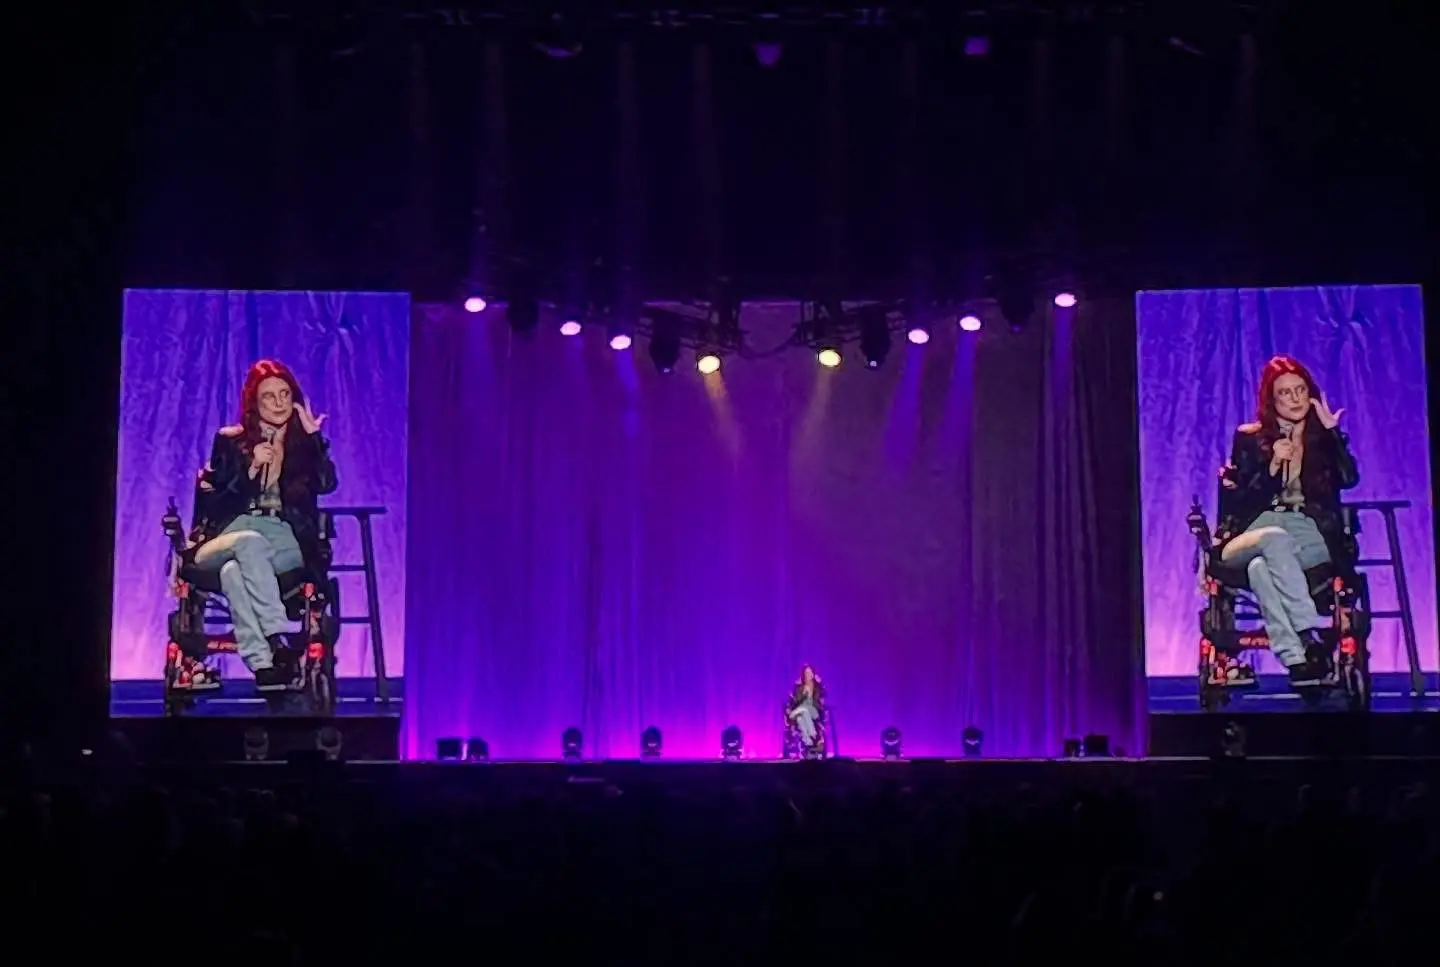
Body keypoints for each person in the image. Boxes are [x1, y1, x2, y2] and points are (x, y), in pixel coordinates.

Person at [190, 359, 337, 690]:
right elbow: (215, 502)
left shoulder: (303, 445)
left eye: (285, 394)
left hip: (284, 538)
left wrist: (315, 439)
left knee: (232, 573)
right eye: (270, 396)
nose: (280, 402)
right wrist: (252, 467)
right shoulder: (230, 440)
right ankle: (278, 634)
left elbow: (327, 484)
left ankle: (263, 666)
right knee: (247, 544)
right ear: (253, 403)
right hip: (230, 534)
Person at [1214, 355, 1358, 689]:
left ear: (1310, 393)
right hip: (1254, 530)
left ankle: (1295, 658)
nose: (1294, 399)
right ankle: (1310, 634)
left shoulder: (1322, 439)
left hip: (1310, 532)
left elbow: (1349, 479)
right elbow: (1242, 500)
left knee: (1260, 570)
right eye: (1284, 393)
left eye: (1299, 390)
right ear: (1271, 399)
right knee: (1272, 540)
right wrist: (1273, 467)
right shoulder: (1249, 438)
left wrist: (1334, 433)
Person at [785, 665, 826, 754]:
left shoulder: (817, 688)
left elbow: (822, 700)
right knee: (801, 716)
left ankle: (794, 714)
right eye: (806, 673)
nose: (809, 674)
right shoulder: (800, 688)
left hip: (815, 712)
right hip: (803, 714)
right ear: (803, 675)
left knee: (804, 710)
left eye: (810, 672)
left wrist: (820, 683)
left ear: (813, 674)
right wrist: (804, 693)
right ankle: (809, 739)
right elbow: (795, 702)